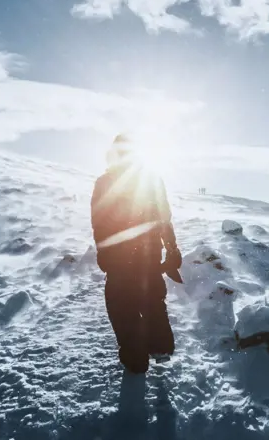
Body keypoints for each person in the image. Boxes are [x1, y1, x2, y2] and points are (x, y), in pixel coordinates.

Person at [90, 134, 183, 374]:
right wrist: (171, 248)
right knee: (150, 297)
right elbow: (164, 218)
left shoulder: (107, 181)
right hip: (146, 253)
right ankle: (159, 347)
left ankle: (136, 359)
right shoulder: (150, 178)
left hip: (121, 256)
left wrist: (104, 250)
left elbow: (99, 221)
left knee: (123, 306)